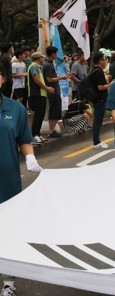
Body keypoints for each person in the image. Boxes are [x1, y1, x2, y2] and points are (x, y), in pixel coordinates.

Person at [0, 63, 43, 296]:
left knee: (6, 231)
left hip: (7, 181)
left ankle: (8, 282)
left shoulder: (14, 109)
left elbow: (24, 138)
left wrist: (30, 157)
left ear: (2, 79)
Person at [27, 52, 55, 144]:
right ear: (38, 58)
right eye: (42, 58)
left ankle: (37, 134)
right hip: (36, 95)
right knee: (38, 115)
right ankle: (34, 135)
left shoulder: (37, 67)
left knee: (41, 115)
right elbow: (36, 80)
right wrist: (47, 88)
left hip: (40, 95)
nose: (43, 59)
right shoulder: (34, 66)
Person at [42, 46, 70, 138]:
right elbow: (49, 80)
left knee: (56, 111)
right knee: (53, 111)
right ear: (53, 54)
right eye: (56, 53)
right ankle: (51, 131)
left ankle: (52, 130)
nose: (57, 55)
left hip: (56, 90)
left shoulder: (50, 64)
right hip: (52, 91)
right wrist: (61, 77)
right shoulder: (47, 65)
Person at [89, 52, 113, 149]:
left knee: (98, 120)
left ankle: (97, 141)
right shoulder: (98, 72)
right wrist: (110, 84)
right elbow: (100, 87)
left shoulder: (94, 70)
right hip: (100, 99)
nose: (106, 61)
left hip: (97, 98)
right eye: (105, 59)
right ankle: (96, 142)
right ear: (100, 61)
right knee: (98, 120)